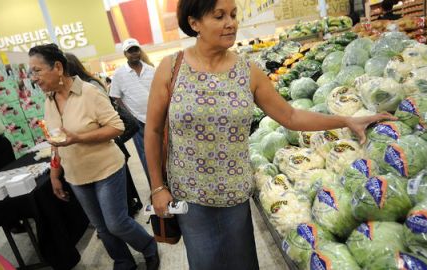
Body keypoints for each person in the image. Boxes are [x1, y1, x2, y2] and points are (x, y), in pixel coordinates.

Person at [145, 1, 395, 269]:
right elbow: (154, 129)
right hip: (190, 198)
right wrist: (158, 187)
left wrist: (347, 119)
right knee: (204, 263)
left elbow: (290, 116)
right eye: (219, 16)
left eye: (233, 15)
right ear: (194, 23)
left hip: (235, 197)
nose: (231, 22)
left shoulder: (247, 71)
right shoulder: (171, 69)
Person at [28, 44, 159, 270]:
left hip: (106, 168)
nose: (34, 78)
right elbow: (56, 141)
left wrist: (78, 137)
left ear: (58, 67)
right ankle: (123, 261)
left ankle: (148, 246)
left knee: (116, 223)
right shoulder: (48, 101)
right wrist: (55, 175)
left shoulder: (89, 92)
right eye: (31, 72)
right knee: (102, 227)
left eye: (37, 70)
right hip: (76, 175)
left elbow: (117, 127)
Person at [65, 52, 143, 216]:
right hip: (101, 146)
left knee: (118, 200)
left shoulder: (90, 86)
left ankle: (127, 209)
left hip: (109, 142)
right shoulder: (68, 92)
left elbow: (108, 117)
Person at [109, 38, 155, 185]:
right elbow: (115, 97)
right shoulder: (119, 74)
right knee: (145, 156)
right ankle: (154, 187)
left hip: (156, 119)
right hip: (138, 122)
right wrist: (130, 115)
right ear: (125, 53)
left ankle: (168, 185)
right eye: (130, 51)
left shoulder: (151, 70)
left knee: (162, 152)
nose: (134, 53)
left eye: (136, 49)